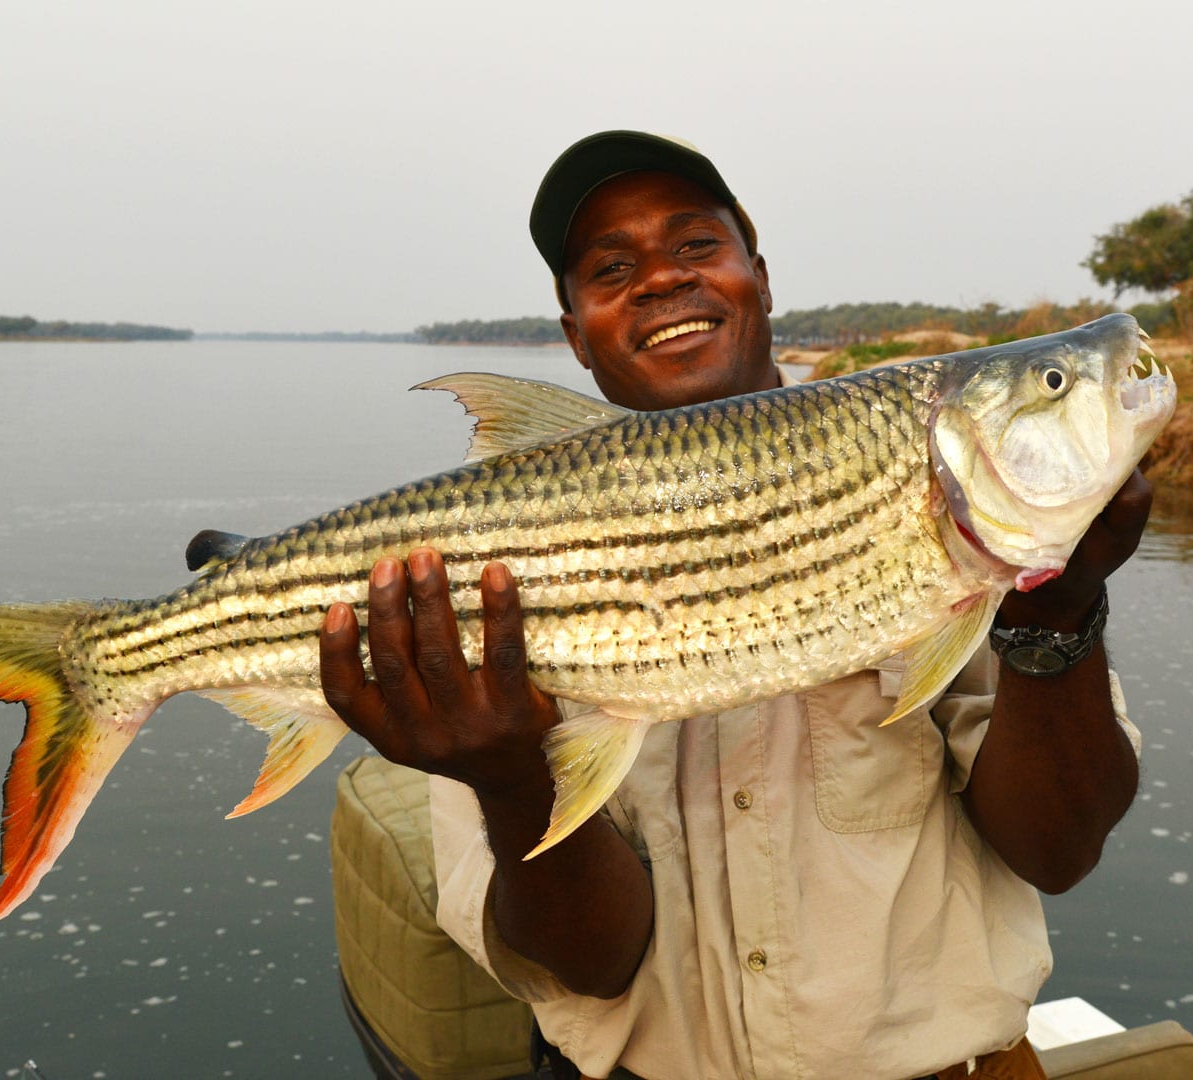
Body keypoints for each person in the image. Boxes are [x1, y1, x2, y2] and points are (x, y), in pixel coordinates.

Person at [319, 131, 1149, 1080]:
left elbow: (1060, 847)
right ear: (575, 332)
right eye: (611, 267)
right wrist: (513, 779)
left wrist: (1056, 620)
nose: (662, 281)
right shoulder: (485, 565)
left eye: (695, 246)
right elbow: (589, 965)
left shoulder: (944, 522)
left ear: (757, 271)